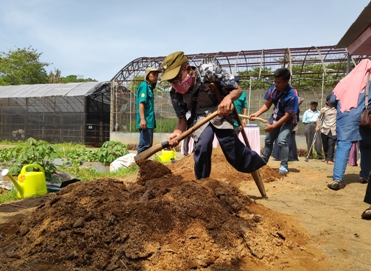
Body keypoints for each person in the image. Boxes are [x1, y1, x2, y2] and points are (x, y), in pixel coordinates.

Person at [160, 51, 266, 179]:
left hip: (220, 111)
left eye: (177, 79)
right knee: (203, 143)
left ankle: (254, 162)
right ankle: (202, 181)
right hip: (198, 117)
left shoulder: (207, 71)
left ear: (187, 69)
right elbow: (182, 119)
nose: (175, 84)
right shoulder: (175, 93)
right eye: (171, 82)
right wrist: (177, 132)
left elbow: (237, 89)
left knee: (229, 143)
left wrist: (228, 99)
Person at [327, 59, 371, 191]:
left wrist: (344, 107)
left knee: (343, 146)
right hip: (365, 118)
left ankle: (337, 179)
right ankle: (364, 176)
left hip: (345, 118)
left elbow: (332, 99)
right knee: (367, 147)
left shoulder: (345, 81)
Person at [250, 68, 299, 174]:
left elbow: (287, 115)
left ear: (286, 82)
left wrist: (273, 126)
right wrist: (256, 114)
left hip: (288, 121)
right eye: (275, 81)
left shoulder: (292, 94)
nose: (276, 84)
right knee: (268, 140)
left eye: (279, 82)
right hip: (275, 117)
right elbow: (267, 104)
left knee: (281, 140)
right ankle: (263, 162)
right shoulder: (273, 89)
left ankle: (284, 165)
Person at [136, 67, 161, 154]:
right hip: (146, 121)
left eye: (157, 75)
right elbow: (141, 103)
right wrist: (143, 119)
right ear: (147, 75)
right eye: (153, 74)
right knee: (144, 146)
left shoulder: (150, 88)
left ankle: (142, 165)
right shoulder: (144, 86)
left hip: (149, 121)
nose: (155, 76)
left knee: (147, 146)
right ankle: (140, 165)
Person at [315, 94, 337, 165]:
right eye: (330, 100)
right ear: (327, 101)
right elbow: (318, 118)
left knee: (331, 144)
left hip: (333, 129)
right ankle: (327, 157)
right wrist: (317, 126)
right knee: (325, 144)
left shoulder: (337, 109)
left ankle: (330, 159)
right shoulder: (323, 109)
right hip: (324, 129)